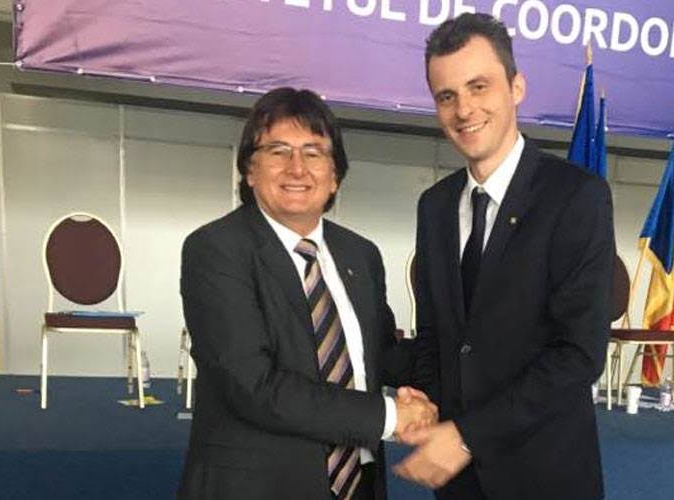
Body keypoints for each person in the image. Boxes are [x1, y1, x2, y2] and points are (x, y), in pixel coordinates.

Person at [177, 87, 437, 500]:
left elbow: (380, 355)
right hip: (257, 487)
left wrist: (463, 359)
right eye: (278, 151)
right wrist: (391, 416)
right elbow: (253, 385)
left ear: (334, 176)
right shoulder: (216, 249)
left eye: (314, 152)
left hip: (359, 483)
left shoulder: (360, 254)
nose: (297, 168)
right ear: (249, 169)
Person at [394, 13, 615, 499]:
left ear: (516, 87)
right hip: (458, 482)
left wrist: (467, 436)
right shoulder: (434, 206)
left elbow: (578, 354)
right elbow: (435, 337)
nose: (464, 109)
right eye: (446, 96)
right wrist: (426, 404)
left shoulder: (576, 196)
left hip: (545, 476)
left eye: (479, 87)